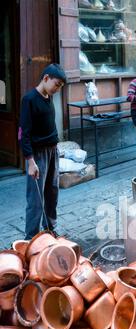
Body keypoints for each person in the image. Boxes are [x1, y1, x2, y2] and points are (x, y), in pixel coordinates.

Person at [19, 63, 67, 240]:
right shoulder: (29, 99)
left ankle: (49, 228)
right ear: (46, 78)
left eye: (60, 86)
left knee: (52, 192)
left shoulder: (49, 96)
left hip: (53, 151)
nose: (57, 89)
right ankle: (30, 237)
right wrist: (30, 162)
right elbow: (23, 134)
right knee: (36, 199)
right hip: (37, 155)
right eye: (57, 84)